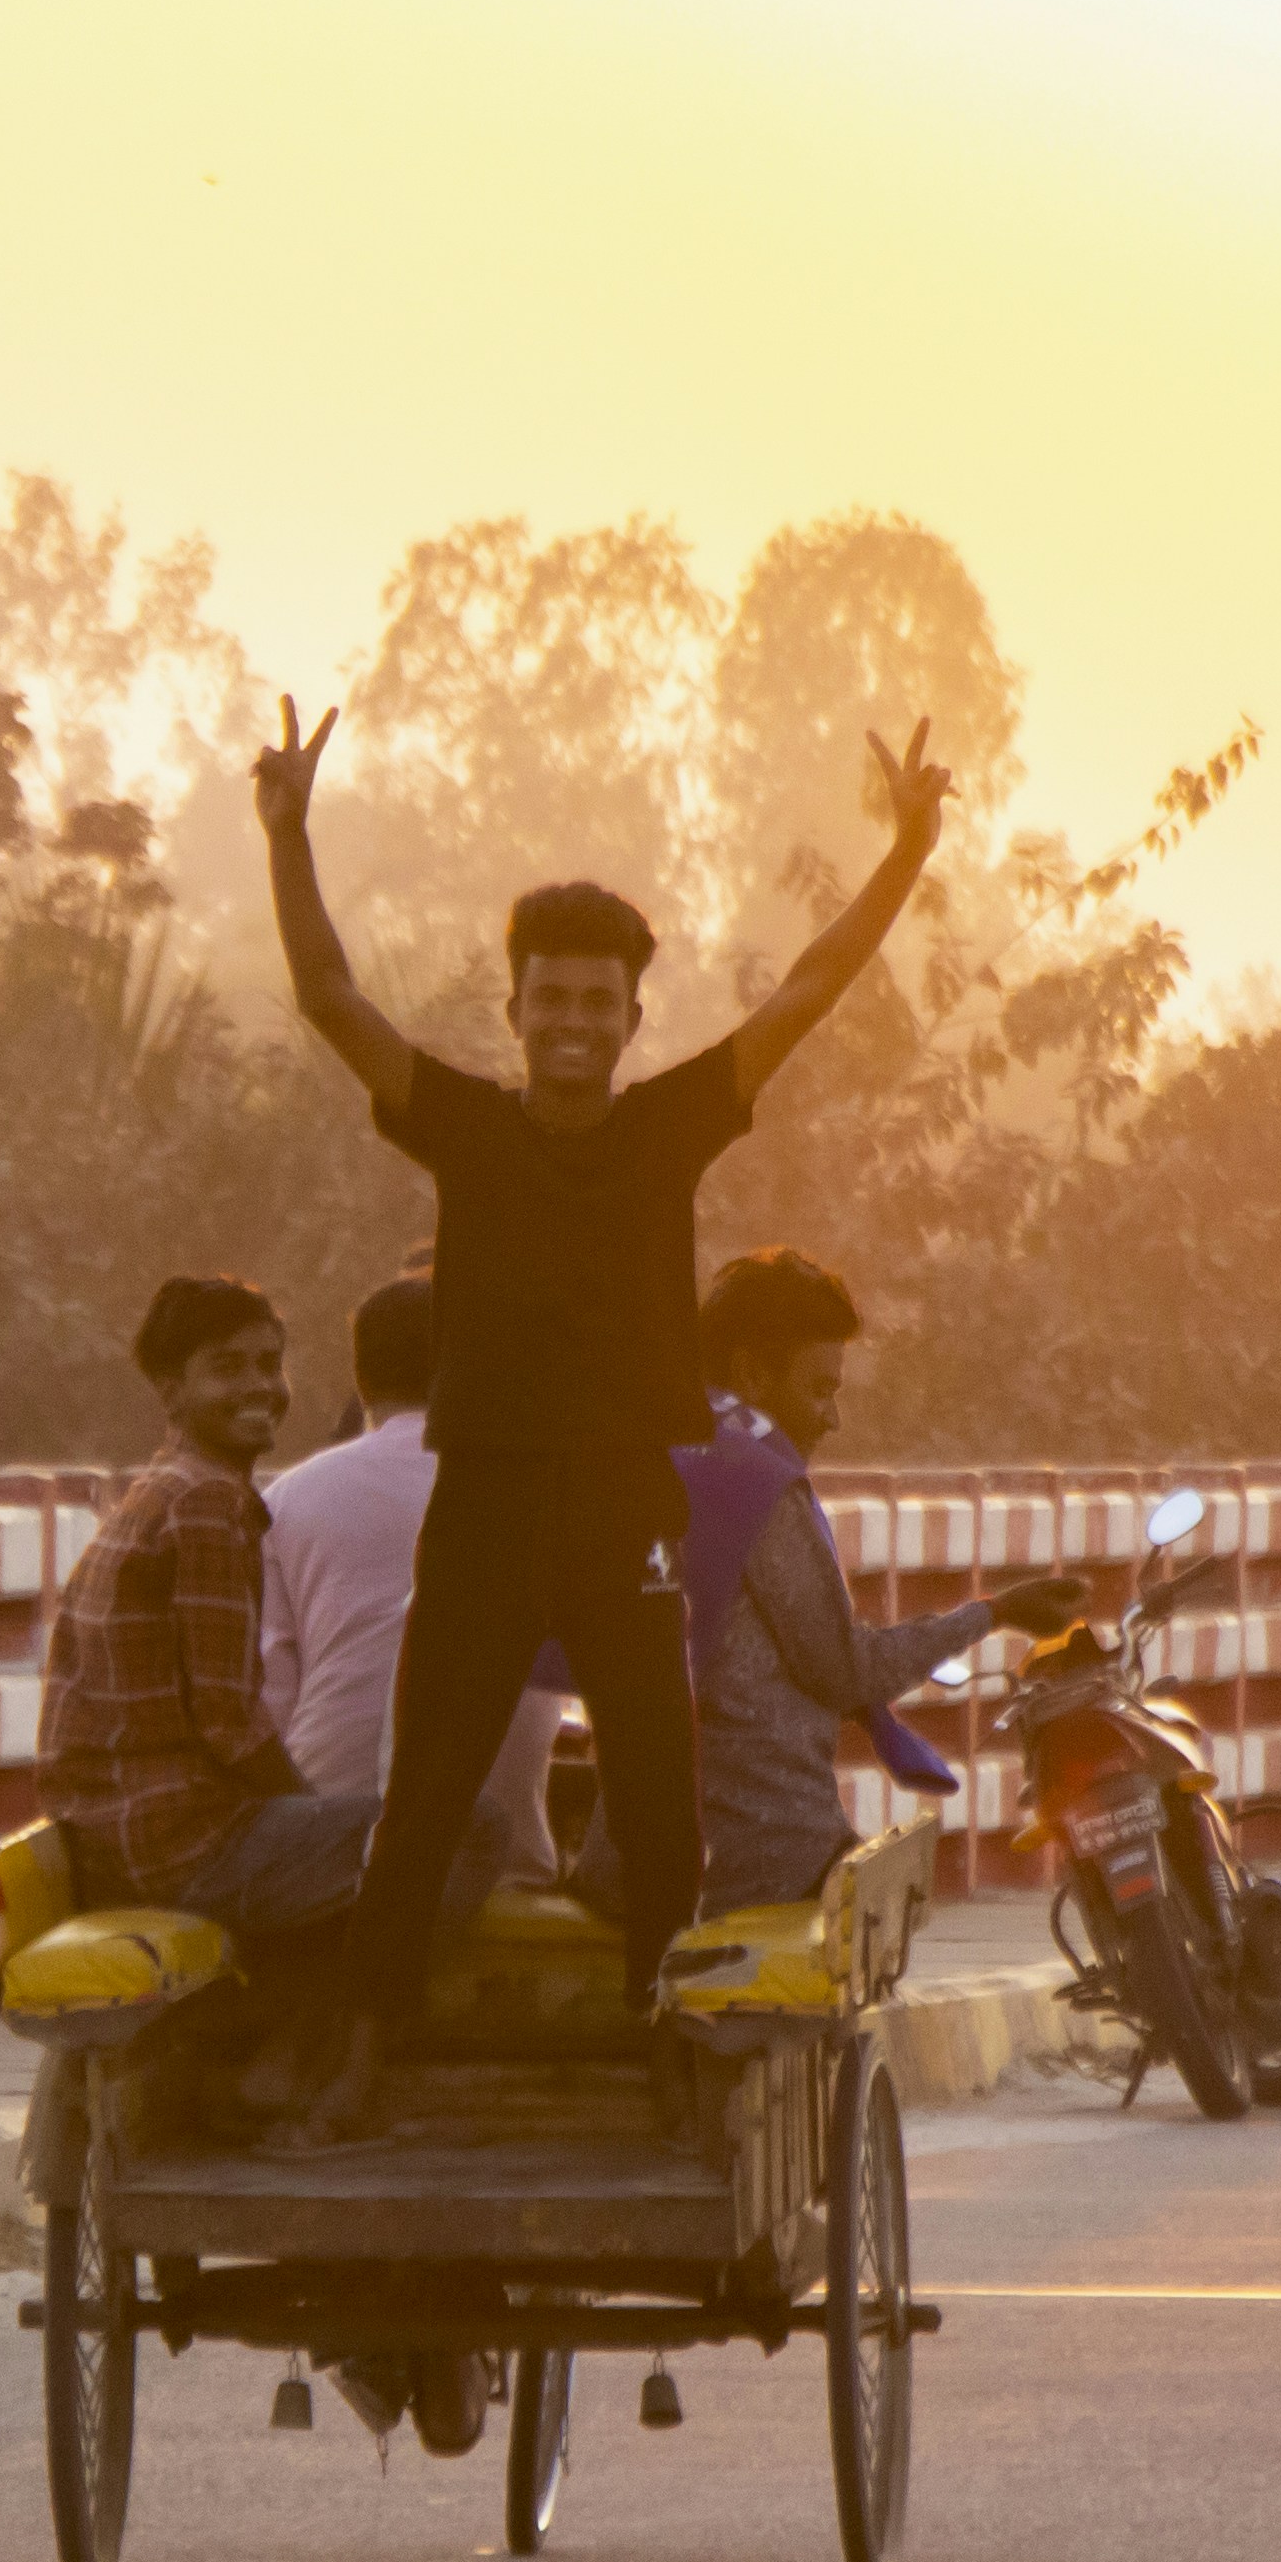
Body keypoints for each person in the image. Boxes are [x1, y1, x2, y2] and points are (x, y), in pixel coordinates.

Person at [254, 688, 960, 2139]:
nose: (573, 1022)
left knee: (659, 1806)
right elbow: (328, 999)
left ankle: (665, 2054)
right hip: (489, 1503)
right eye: (548, 1000)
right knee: (425, 1796)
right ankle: (364, 2048)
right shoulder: (459, 1123)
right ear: (512, 1013)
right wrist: (287, 835)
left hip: (627, 1501)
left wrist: (903, 856)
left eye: (599, 1002)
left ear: (634, 1021)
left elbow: (809, 993)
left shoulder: (670, 1124)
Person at [635, 1248, 1086, 1913]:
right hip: (767, 1849)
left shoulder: (658, 1456)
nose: (830, 1419)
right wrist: (995, 1613)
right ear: (752, 1373)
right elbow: (844, 1670)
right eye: (819, 1390)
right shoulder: (752, 1486)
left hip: (648, 1835)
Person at [42, 1275, 376, 1949]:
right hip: (182, 1849)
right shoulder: (207, 1506)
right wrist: (314, 1809)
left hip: (113, 1837)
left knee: (355, 1831)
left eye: (268, 1363)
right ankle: (339, 2036)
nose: (259, 1386)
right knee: (465, 1832)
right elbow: (231, 1725)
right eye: (227, 1368)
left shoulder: (162, 1489)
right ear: (171, 1390)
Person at [257, 1272, 572, 1909]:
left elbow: (271, 1702)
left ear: (362, 1380)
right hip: (504, 1854)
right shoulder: (543, 1493)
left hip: (336, 1837)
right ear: (472, 1368)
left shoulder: (287, 1499)